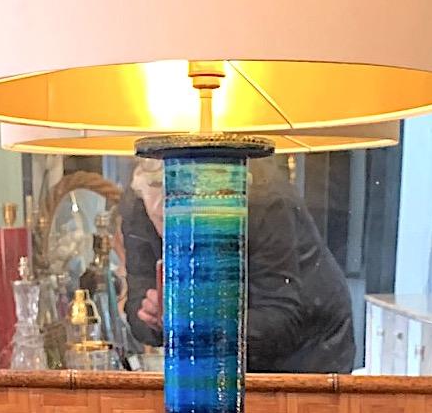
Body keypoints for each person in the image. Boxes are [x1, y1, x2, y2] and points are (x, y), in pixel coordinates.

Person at [121, 156, 356, 374]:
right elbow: (137, 307)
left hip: (309, 350)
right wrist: (154, 319)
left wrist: (198, 324)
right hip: (225, 349)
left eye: (182, 189)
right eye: (155, 185)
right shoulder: (138, 204)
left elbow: (282, 319)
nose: (165, 206)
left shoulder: (263, 197)